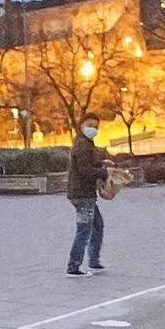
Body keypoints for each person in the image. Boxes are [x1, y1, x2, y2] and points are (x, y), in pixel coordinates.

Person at [65, 114, 112, 276]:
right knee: (84, 230)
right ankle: (74, 266)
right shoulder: (82, 145)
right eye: (90, 125)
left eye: (96, 126)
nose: (94, 129)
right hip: (83, 194)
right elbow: (85, 170)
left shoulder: (85, 143)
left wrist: (101, 164)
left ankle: (93, 259)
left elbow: (87, 164)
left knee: (97, 225)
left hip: (82, 193)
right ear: (82, 125)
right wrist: (104, 173)